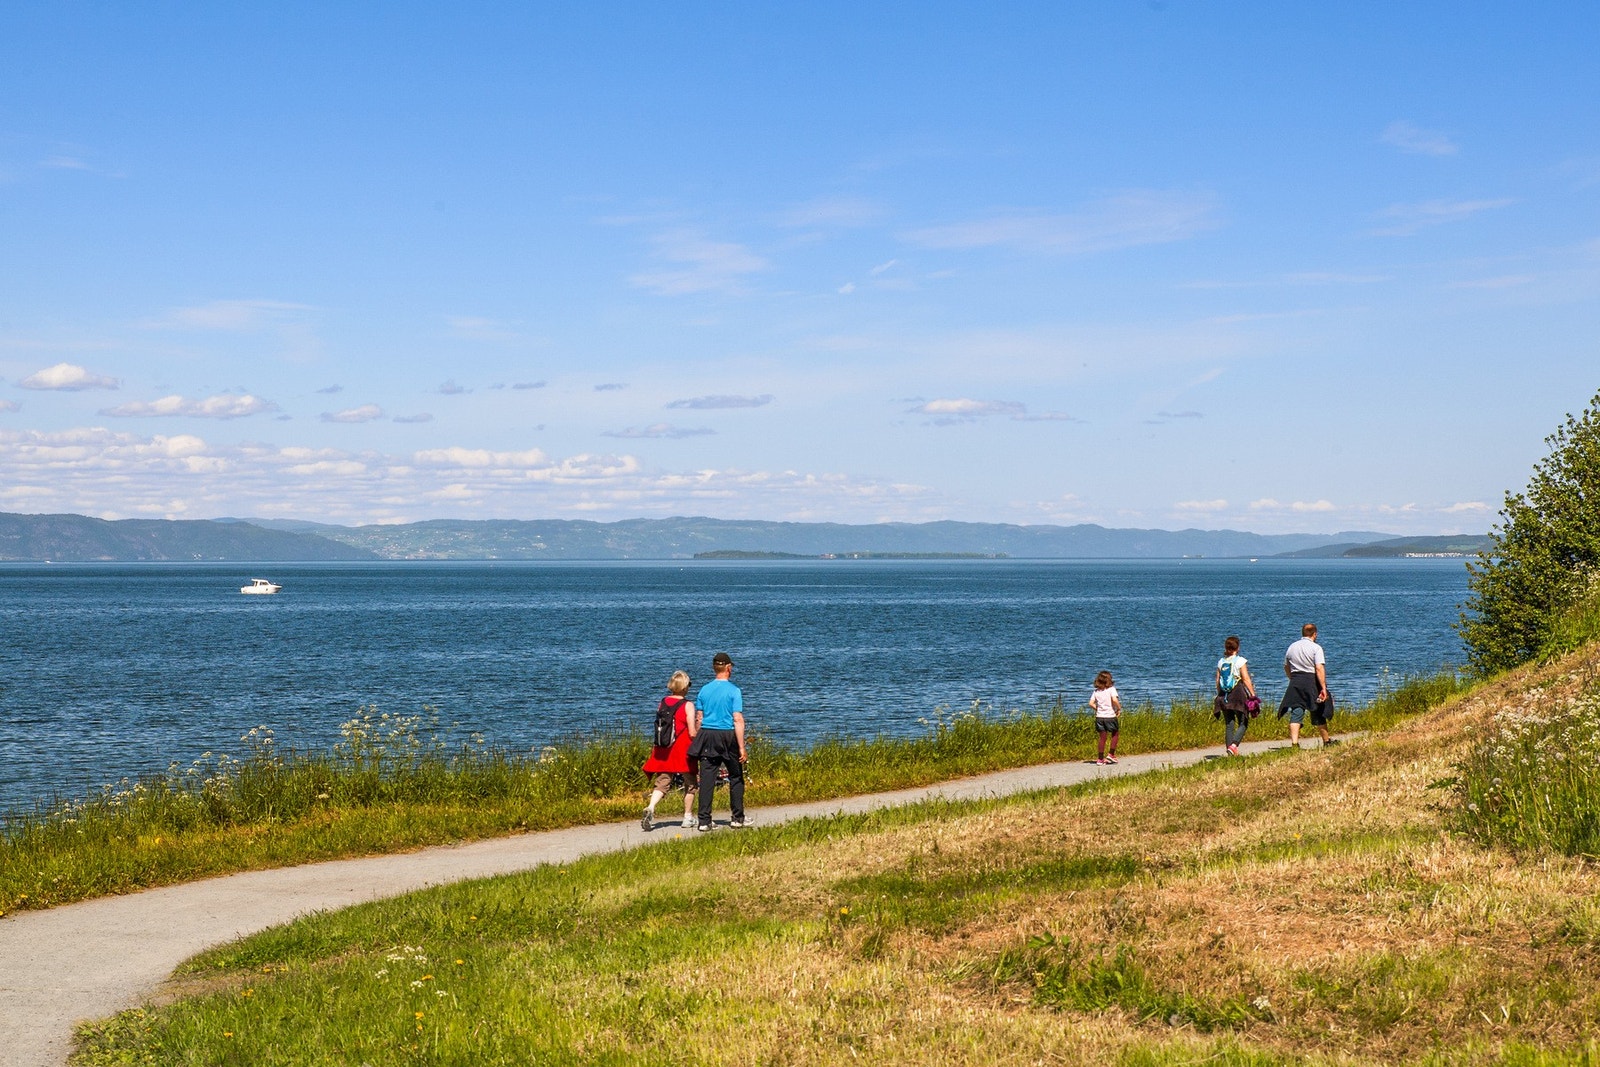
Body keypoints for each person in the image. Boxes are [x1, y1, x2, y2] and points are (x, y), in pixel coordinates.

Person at [688, 651, 746, 830]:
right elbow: (737, 719)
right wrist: (742, 747)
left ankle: (704, 821)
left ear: (715, 668)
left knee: (707, 778)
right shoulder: (734, 691)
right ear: (728, 668)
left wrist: (699, 737)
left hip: (708, 734)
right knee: (736, 776)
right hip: (727, 735)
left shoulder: (704, 689)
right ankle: (737, 818)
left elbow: (699, 717)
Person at [640, 670, 698, 831]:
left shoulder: (663, 702)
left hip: (664, 748)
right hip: (683, 749)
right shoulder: (688, 705)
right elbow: (692, 732)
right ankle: (687, 817)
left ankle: (651, 807)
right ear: (685, 687)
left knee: (663, 781)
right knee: (691, 783)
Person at [1279, 623, 1332, 748]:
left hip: (1296, 680)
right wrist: (1323, 687)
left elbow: (1286, 666)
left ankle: (1294, 743)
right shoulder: (1316, 648)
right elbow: (1319, 668)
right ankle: (1326, 741)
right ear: (1315, 634)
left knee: (1296, 710)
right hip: (1310, 680)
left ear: (1302, 633)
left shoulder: (1292, 647)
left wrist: (1292, 678)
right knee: (1318, 709)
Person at [1215, 635, 1257, 757]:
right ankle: (1234, 746)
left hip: (1224, 695)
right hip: (1238, 694)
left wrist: (1219, 695)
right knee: (1244, 721)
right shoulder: (1240, 661)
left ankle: (1230, 752)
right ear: (1237, 648)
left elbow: (1218, 680)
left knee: (1229, 723)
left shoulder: (1221, 662)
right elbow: (1246, 679)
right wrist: (1253, 694)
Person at [1088, 670, 1121, 765]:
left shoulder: (1096, 691)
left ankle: (1100, 759)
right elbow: (1114, 700)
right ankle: (1111, 754)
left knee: (1102, 737)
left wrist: (1098, 708)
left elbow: (1090, 703)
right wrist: (1118, 708)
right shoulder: (1111, 689)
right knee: (1115, 733)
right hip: (1110, 716)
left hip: (1099, 717)